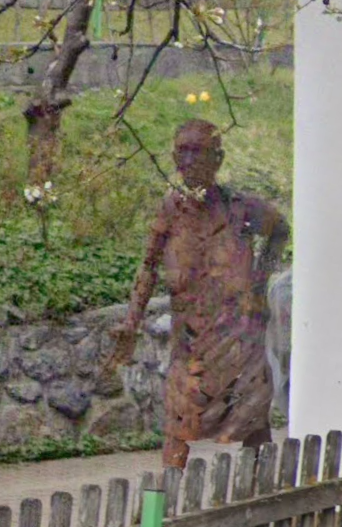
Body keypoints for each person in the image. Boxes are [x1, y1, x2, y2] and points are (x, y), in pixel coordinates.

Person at [108, 119, 290, 470]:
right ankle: (163, 500)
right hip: (190, 342)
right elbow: (148, 266)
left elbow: (279, 229)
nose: (189, 161)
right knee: (178, 427)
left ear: (218, 159)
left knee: (253, 422)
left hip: (239, 340)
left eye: (198, 151)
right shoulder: (170, 211)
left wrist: (259, 281)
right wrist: (131, 322)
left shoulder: (240, 210)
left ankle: (261, 491)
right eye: (183, 152)